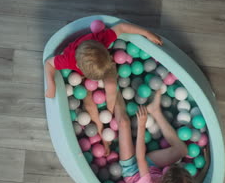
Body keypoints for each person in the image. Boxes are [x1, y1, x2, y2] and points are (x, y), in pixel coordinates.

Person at [44, 22, 162, 153]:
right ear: (77, 65)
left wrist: (147, 33)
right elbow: (49, 64)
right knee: (88, 100)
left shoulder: (101, 38)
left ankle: (109, 112)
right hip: (84, 75)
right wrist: (51, 84)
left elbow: (122, 27)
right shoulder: (67, 59)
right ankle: (101, 131)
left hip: (103, 65)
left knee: (111, 85)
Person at [113, 90, 209, 183]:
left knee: (124, 123)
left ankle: (113, 87)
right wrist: (206, 167)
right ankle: (155, 111)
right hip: (151, 169)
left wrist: (142, 125)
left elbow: (140, 158)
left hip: (133, 171)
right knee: (182, 150)